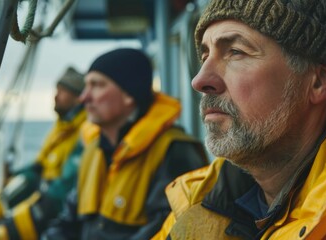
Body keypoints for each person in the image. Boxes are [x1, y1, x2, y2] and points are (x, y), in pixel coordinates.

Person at [153, 0, 326, 239]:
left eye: (236, 52)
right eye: (205, 55)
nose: (199, 80)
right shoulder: (196, 202)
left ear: (319, 81)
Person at [42, 48, 209, 240]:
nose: (84, 97)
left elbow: (172, 231)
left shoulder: (174, 151)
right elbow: (67, 221)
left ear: (129, 94)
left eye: (96, 85)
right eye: (86, 86)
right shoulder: (93, 151)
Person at [0, 66, 87, 240]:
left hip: (52, 207)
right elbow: (38, 167)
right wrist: (14, 176)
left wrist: (12, 223)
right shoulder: (60, 127)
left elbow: (61, 192)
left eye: (63, 91)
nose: (56, 96)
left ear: (78, 98)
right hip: (39, 195)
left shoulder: (84, 132)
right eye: (57, 90)